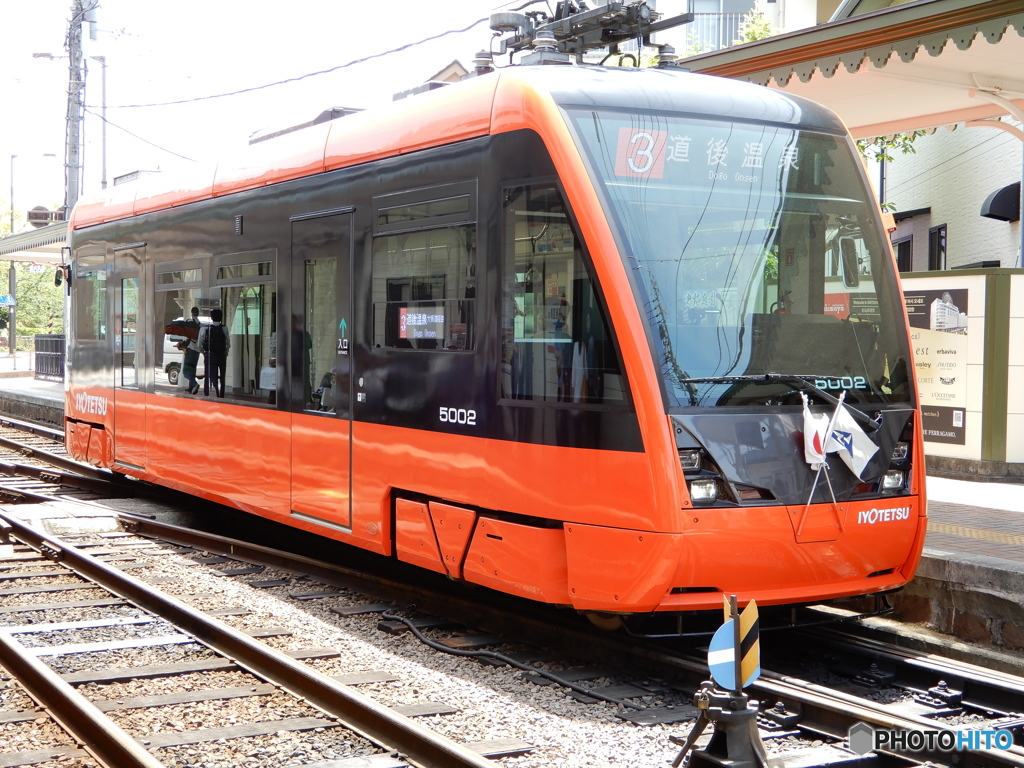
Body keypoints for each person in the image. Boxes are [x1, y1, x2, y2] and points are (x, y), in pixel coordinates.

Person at [199, 308, 230, 397]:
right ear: (221, 318)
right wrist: (225, 352)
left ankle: (207, 393)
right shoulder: (224, 328)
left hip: (209, 354)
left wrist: (204, 353)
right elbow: (228, 343)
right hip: (221, 355)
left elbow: (199, 344)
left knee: (208, 375)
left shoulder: (205, 329)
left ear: (211, 318)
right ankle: (221, 394)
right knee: (222, 376)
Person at [179, 307, 202, 394]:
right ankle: (190, 388)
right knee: (192, 369)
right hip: (197, 351)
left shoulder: (189, 322)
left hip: (190, 349)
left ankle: (194, 384)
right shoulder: (200, 324)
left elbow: (186, 337)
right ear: (198, 313)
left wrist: (183, 346)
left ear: (191, 313)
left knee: (186, 371)